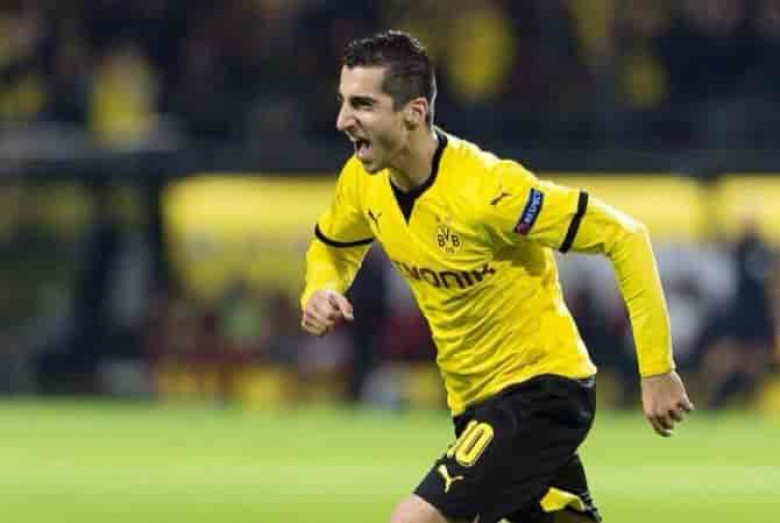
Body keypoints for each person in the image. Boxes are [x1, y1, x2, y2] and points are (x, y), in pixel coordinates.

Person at [300, 30, 693, 523]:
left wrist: (656, 370)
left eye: (362, 104)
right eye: (343, 102)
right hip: (473, 405)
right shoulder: (362, 182)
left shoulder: (490, 191)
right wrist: (322, 287)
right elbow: (333, 247)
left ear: (414, 113)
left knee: (415, 520)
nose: (342, 120)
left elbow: (625, 237)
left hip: (542, 390)